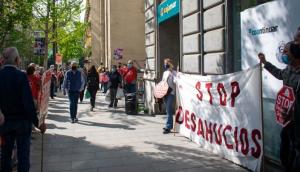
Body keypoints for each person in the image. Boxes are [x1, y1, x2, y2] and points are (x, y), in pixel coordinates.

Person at [0, 47, 46, 172]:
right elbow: (28, 103)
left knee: (5, 156)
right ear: (17, 60)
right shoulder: (21, 76)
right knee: (23, 157)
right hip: (22, 123)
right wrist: (38, 123)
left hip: (5, 123)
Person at [258, 41, 300, 172]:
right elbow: (279, 74)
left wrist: (293, 114)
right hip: (286, 121)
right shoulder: (289, 69)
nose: (283, 54)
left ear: (295, 55)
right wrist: (265, 63)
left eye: (286, 51)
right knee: (285, 148)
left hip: (297, 122)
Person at [161, 58, 177, 134]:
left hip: (171, 93)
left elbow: (176, 81)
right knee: (167, 110)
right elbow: (163, 82)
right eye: (164, 63)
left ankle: (168, 126)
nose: (165, 64)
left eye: (166, 63)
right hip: (165, 93)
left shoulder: (174, 73)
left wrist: (173, 74)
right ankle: (169, 125)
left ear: (170, 64)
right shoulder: (165, 73)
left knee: (169, 109)